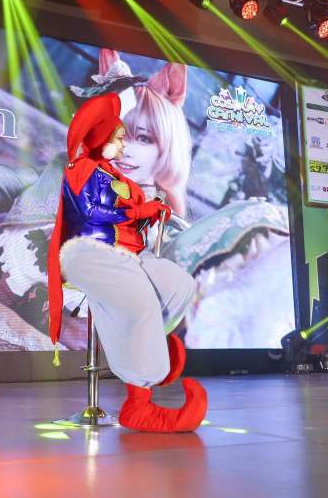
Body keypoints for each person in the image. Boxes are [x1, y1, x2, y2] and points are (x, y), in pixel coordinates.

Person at [47, 93, 208, 432]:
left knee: (178, 285)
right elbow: (91, 212)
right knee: (140, 300)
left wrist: (151, 213)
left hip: (126, 253)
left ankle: (153, 352)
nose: (124, 146)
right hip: (86, 251)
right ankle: (139, 404)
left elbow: (131, 217)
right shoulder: (81, 170)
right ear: (102, 138)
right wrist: (137, 211)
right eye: (119, 138)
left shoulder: (117, 178)